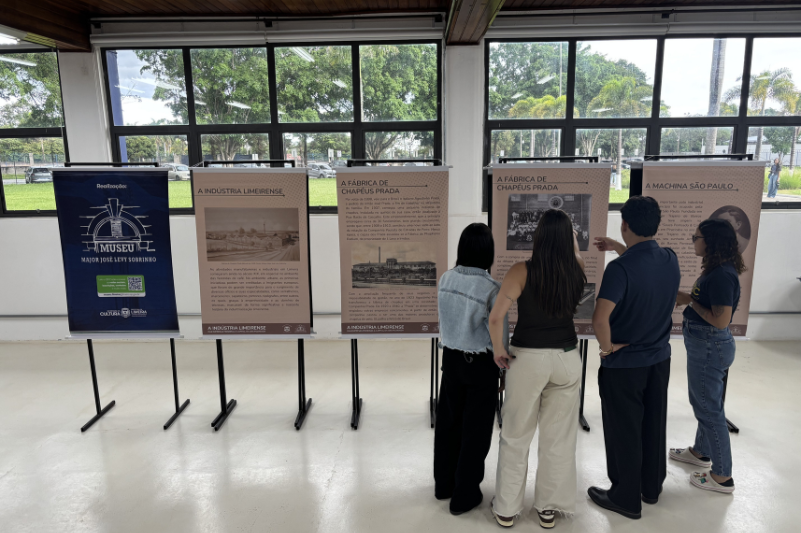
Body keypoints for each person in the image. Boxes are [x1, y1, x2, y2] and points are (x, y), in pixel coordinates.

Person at [488, 209, 587, 530]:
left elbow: (495, 317)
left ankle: (506, 508)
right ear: (569, 238)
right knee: (559, 438)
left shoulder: (521, 271)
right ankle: (548, 508)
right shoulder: (578, 267)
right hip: (567, 358)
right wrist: (572, 240)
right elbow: (573, 253)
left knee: (516, 434)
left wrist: (499, 350)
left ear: (538, 236)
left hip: (528, 358)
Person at [588, 196, 681, 520]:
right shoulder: (670, 259)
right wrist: (617, 245)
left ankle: (625, 497)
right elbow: (645, 266)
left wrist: (608, 348)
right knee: (654, 423)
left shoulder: (619, 270)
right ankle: (651, 487)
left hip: (625, 366)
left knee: (624, 430)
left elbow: (600, 320)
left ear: (624, 224)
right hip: (659, 359)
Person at [434, 223, 506, 515]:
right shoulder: (491, 289)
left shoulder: (445, 278)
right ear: (488, 252)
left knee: (448, 424)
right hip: (479, 366)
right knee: (475, 432)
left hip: (450, 360)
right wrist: (502, 370)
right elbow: (498, 336)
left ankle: (443, 485)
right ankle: (465, 495)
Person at [671, 219, 745, 494]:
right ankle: (701, 452)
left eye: (697, 237)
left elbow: (720, 320)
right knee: (706, 401)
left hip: (710, 345)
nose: (693, 240)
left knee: (708, 408)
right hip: (705, 344)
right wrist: (691, 298)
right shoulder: (716, 270)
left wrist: (690, 301)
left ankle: (722, 476)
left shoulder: (723, 275)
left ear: (711, 242)